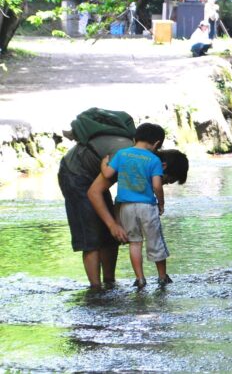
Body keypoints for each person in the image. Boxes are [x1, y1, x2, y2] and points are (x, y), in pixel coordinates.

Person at [58, 130, 135, 290]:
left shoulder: (141, 159)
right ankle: (95, 289)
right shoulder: (128, 160)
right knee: (90, 235)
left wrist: (116, 223)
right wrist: (113, 224)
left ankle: (109, 282)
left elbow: (121, 197)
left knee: (110, 234)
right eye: (167, 180)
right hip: (74, 173)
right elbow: (94, 193)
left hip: (93, 176)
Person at [100, 123, 169, 289]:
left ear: (134, 139)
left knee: (135, 242)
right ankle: (162, 277)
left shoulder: (122, 154)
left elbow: (108, 173)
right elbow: (157, 186)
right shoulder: (154, 159)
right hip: (147, 206)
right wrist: (161, 203)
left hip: (126, 207)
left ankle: (140, 279)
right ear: (157, 143)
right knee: (155, 241)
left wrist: (103, 163)